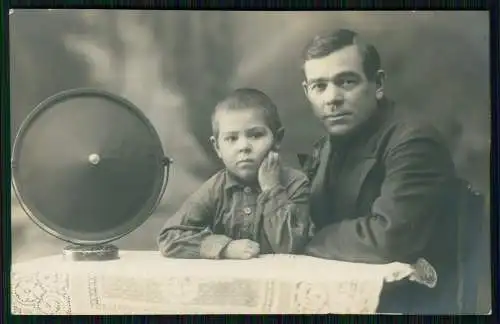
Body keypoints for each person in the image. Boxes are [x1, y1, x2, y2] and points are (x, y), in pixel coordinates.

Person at [297, 29, 459, 313]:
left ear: (379, 83)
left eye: (347, 82)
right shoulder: (325, 146)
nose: (332, 98)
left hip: (409, 304)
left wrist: (310, 238)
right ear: (307, 92)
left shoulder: (413, 141)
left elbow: (389, 238)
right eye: (319, 86)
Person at [157, 88, 314, 260]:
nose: (243, 147)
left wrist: (271, 188)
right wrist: (225, 248)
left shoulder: (296, 183)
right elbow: (169, 237)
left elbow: (290, 247)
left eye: (255, 135)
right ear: (217, 147)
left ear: (277, 139)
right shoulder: (215, 188)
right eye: (231, 138)